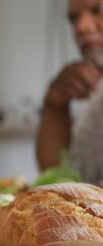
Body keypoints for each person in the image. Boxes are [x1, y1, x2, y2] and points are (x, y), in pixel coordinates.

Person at [37, 0, 103, 185]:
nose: (81, 27)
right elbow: (57, 175)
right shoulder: (97, 95)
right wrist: (54, 104)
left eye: (96, 9)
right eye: (74, 19)